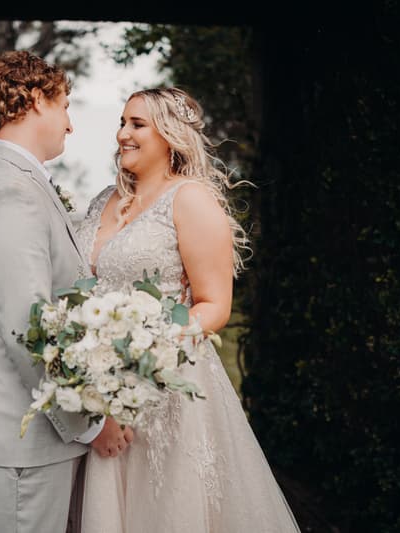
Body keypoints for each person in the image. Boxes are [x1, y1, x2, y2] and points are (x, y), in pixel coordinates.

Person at [0, 50, 133, 533]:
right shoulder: (10, 192)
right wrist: (92, 424)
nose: (71, 124)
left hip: (27, 441)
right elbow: (28, 331)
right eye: (65, 106)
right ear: (36, 99)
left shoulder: (16, 182)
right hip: (20, 443)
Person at [75, 87, 301, 532]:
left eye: (137, 124)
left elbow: (214, 305)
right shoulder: (103, 199)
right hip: (99, 384)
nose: (123, 134)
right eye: (121, 123)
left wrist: (145, 356)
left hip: (166, 384)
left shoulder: (190, 200)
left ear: (170, 135)